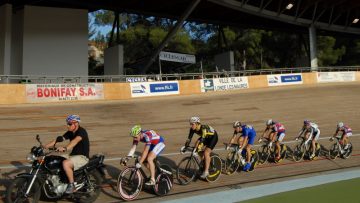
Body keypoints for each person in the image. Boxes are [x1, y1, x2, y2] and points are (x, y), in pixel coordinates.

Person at [43, 115, 89, 194]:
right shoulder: (70, 132)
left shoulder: (82, 132)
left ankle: (72, 185)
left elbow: (75, 141)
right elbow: (58, 139)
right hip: (73, 155)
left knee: (65, 163)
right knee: (55, 159)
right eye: (67, 124)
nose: (67, 126)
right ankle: (59, 180)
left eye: (69, 124)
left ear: (76, 124)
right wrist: (44, 147)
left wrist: (65, 148)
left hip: (82, 157)